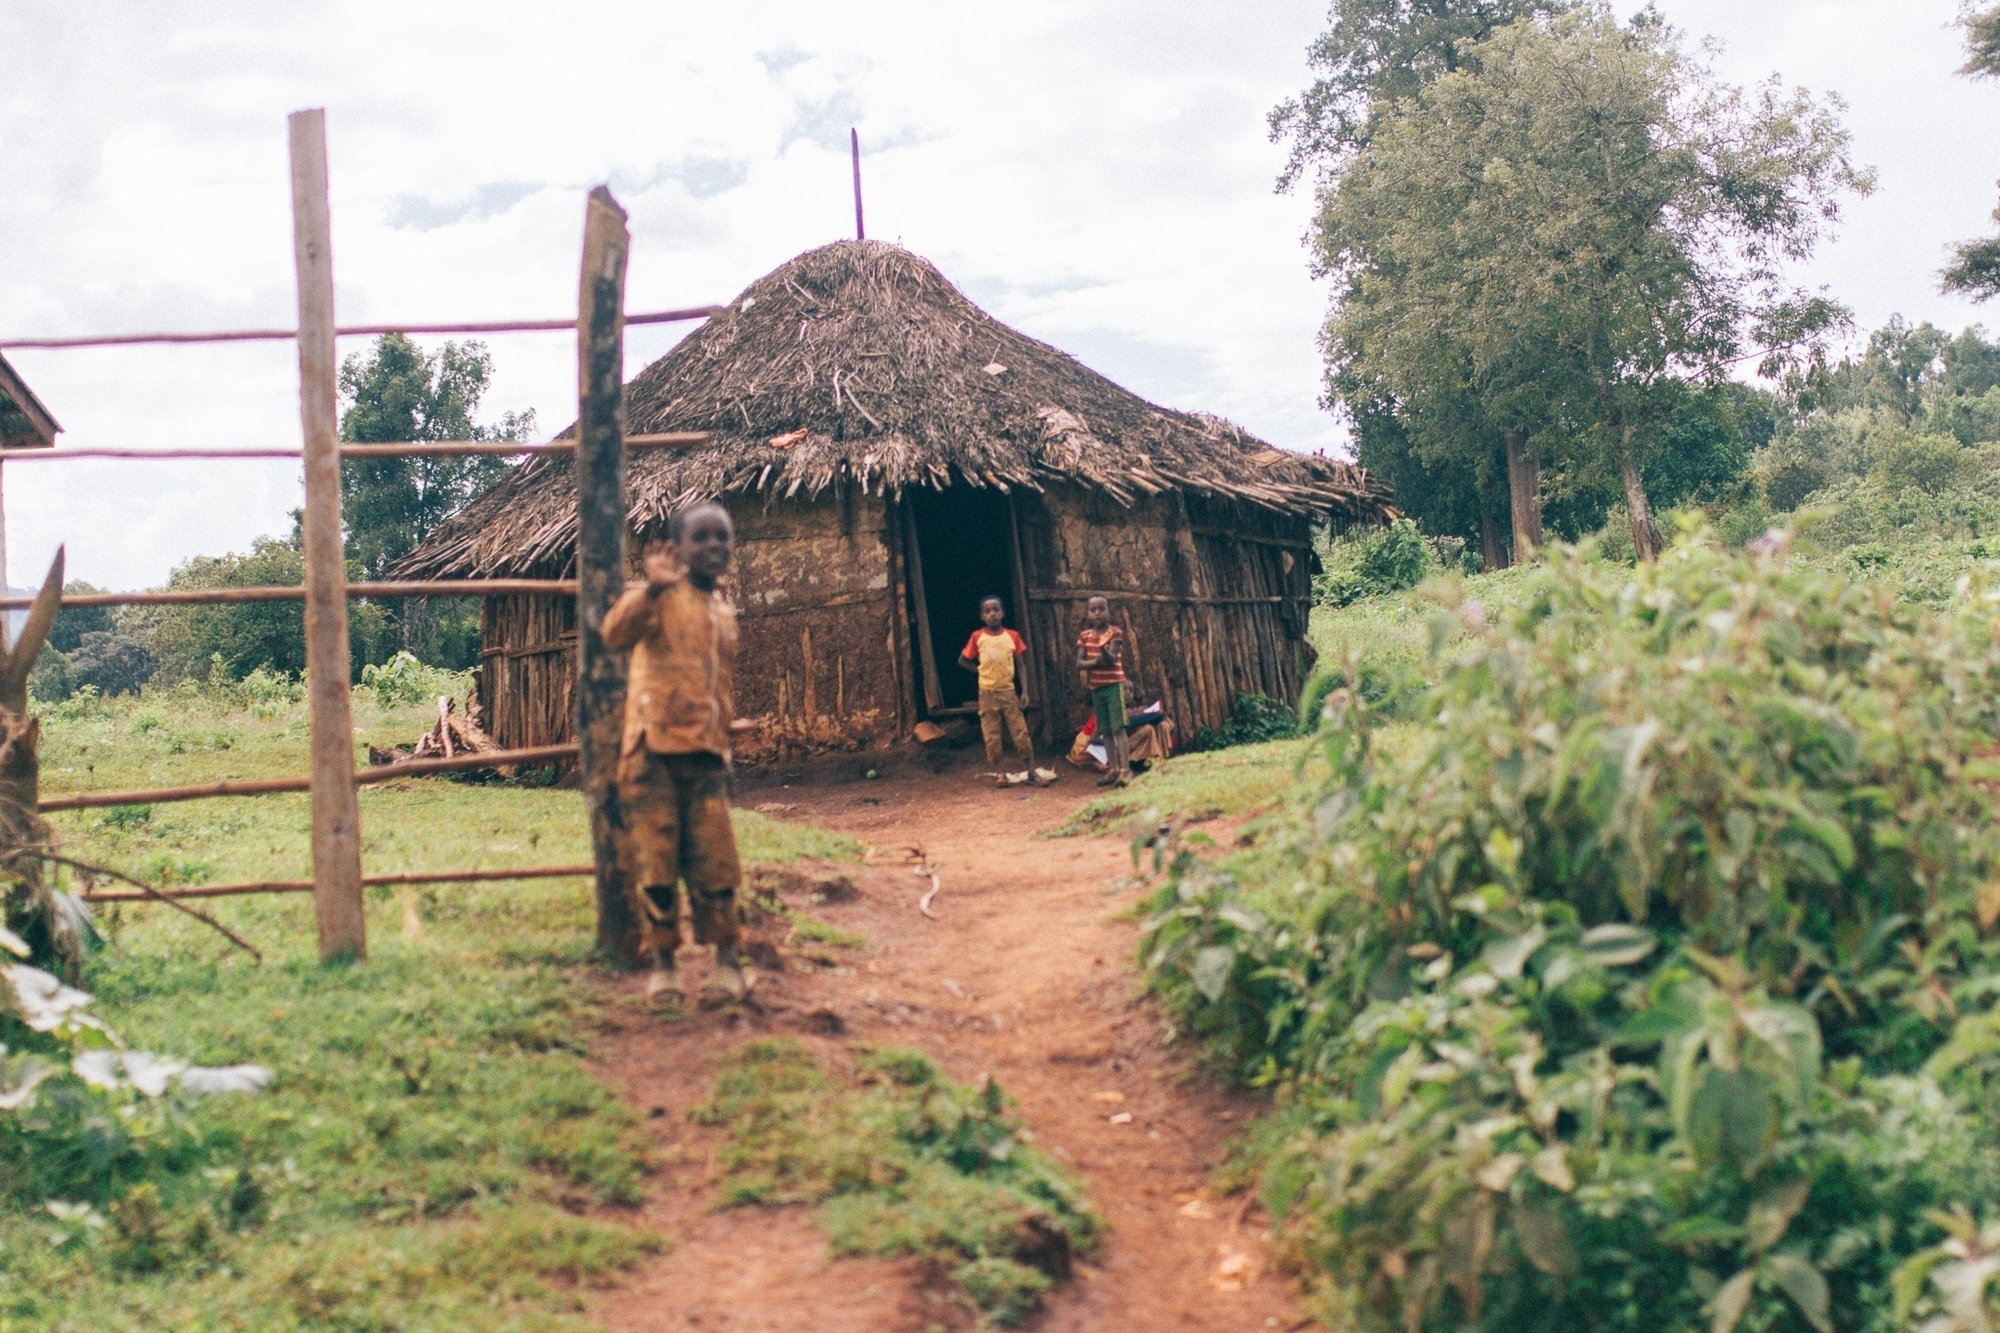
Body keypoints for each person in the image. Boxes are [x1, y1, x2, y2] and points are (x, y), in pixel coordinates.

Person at [600, 501, 747, 1010]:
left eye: (722, 537)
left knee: (718, 863)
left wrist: (724, 751)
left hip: (704, 757)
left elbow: (720, 693)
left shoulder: (723, 613)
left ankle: (727, 963)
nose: (713, 547)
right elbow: (613, 634)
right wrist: (654, 588)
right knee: (656, 865)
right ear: (679, 548)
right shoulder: (658, 597)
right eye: (701, 538)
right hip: (651, 756)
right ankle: (663, 966)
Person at [958, 594, 1034, 776]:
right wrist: (980, 670)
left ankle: (1031, 771)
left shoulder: (1012, 636)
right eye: (987, 611)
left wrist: (1025, 691)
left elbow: (1021, 664)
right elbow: (962, 660)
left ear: (1003, 613)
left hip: (1009, 691)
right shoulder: (977, 637)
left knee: (1020, 731)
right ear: (982, 616)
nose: (992, 614)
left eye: (996, 610)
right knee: (992, 734)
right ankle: (1000, 773)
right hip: (987, 692)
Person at [1075, 594, 1131, 786]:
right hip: (1096, 688)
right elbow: (1078, 663)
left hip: (1113, 685)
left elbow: (1111, 658)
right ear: (1088, 613)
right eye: (1093, 610)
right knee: (1105, 729)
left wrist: (1102, 651)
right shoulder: (1084, 636)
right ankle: (1114, 769)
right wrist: (1096, 660)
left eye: (1101, 609)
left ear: (1108, 611)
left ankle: (1126, 769)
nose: (1097, 613)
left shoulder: (1115, 633)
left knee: (1118, 727)